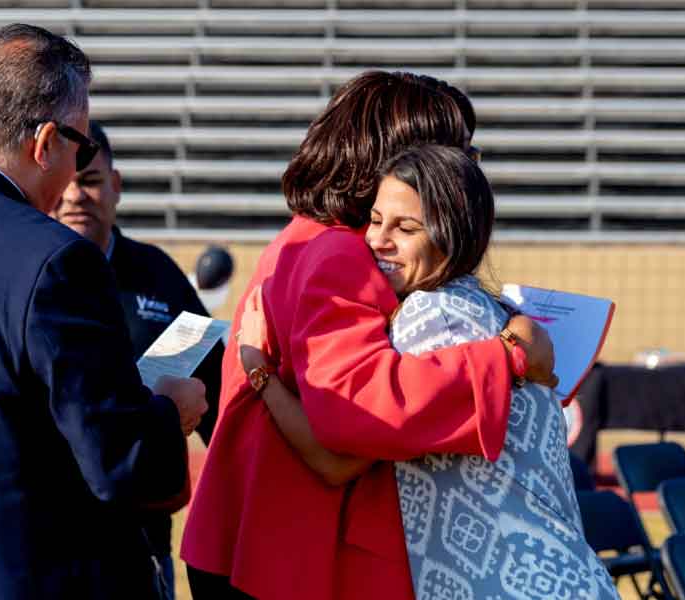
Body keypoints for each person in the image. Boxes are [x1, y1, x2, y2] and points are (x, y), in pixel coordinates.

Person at [181, 70, 555, 600]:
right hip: (291, 553)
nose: (468, 173)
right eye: (460, 154)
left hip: (258, 541)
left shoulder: (309, 238)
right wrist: (506, 358)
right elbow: (360, 412)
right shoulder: (345, 256)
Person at [243, 144, 621, 599]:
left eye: (406, 228)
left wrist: (258, 370)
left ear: (451, 235)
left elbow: (337, 459)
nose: (378, 241)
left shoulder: (433, 321)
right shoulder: (490, 309)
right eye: (377, 220)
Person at [0, 24, 208, 600]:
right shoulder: (55, 259)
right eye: (80, 147)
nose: (74, 177)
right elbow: (121, 463)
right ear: (44, 144)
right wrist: (168, 415)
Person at [50, 120, 223, 597]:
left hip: (143, 544)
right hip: (45, 542)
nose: (75, 197)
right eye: (66, 182)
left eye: (90, 181)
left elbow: (222, 402)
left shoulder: (159, 277)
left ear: (116, 186)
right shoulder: (27, 277)